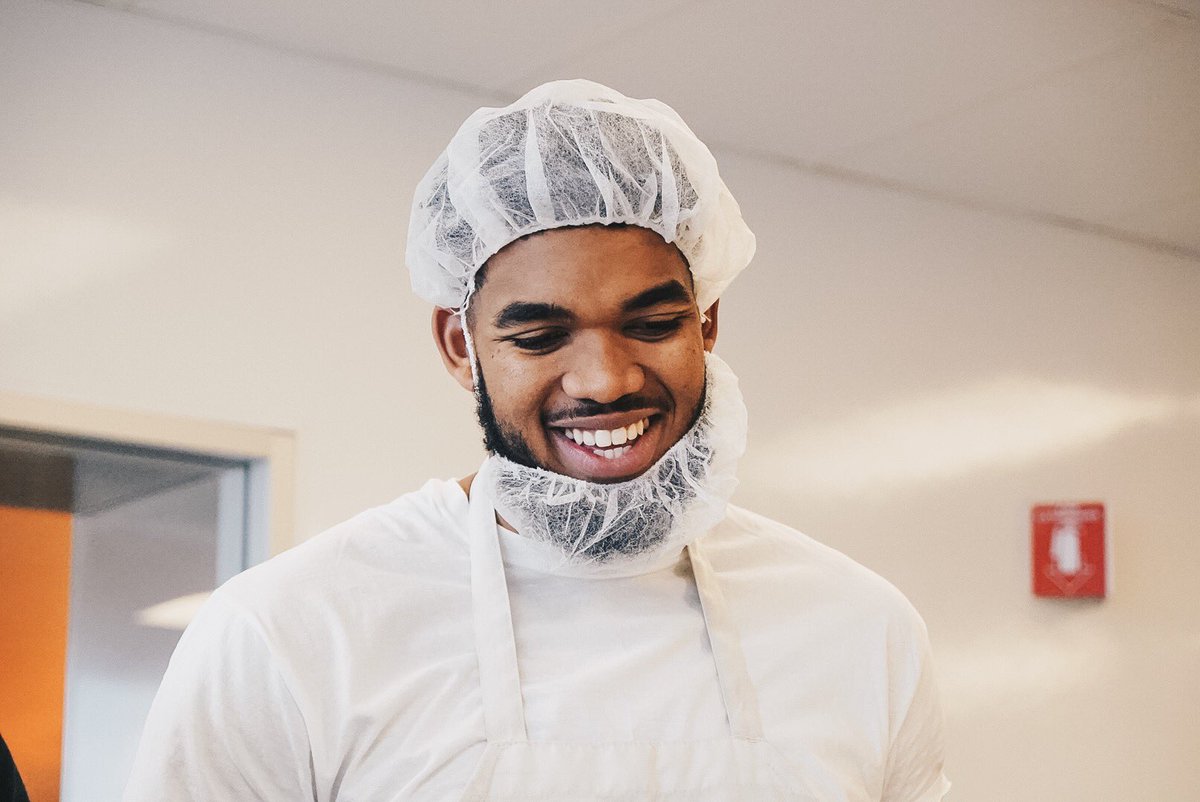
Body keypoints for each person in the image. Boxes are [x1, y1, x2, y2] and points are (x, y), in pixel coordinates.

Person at [126, 79, 950, 800]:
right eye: (539, 336)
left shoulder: (858, 628)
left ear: (706, 324)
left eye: (653, 324)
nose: (605, 380)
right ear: (461, 346)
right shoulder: (294, 631)